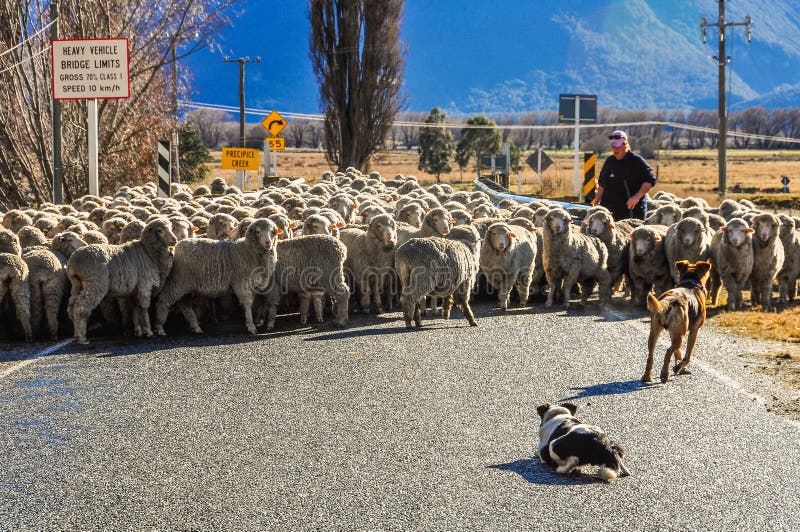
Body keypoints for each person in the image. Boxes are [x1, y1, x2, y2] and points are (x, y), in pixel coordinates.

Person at [594, 130, 656, 220]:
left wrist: (636, 197)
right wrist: (595, 203)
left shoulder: (637, 161)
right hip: (609, 212)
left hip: (631, 212)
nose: (615, 149)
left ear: (625, 145)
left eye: (617, 146)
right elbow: (602, 184)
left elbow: (649, 181)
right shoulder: (610, 161)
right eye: (613, 146)